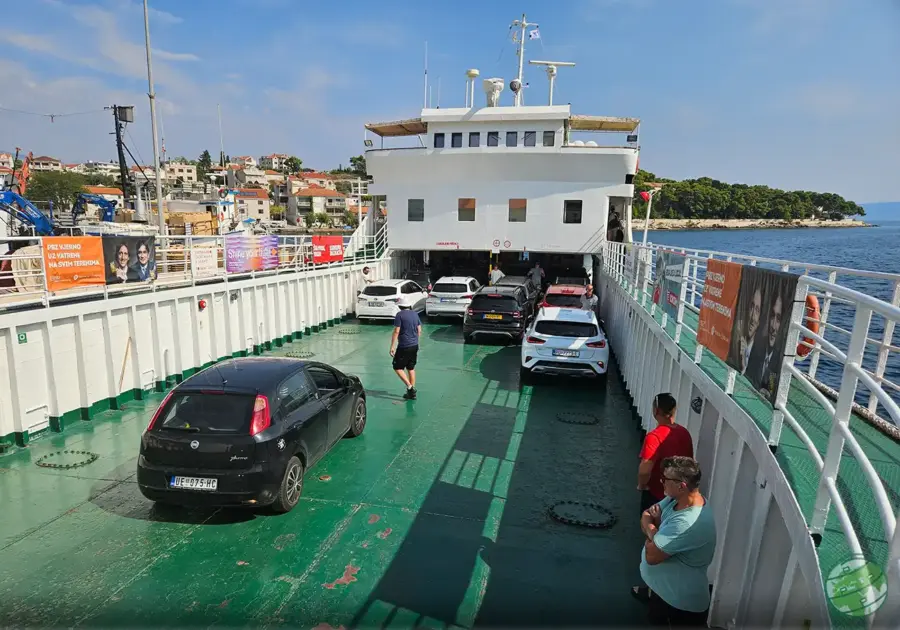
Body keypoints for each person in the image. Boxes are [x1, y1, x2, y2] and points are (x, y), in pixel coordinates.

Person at [638, 456, 716, 627]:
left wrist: (652, 530)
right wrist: (655, 530)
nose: (661, 482)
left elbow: (652, 557)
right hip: (664, 592)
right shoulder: (676, 498)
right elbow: (645, 515)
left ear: (682, 486)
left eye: (665, 480)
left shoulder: (686, 523)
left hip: (680, 605)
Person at [632, 393, 695, 601]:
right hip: (680, 499)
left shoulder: (654, 436)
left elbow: (645, 468)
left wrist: (641, 485)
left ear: (655, 411)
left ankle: (651, 591)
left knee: (653, 542)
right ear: (674, 411)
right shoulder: (685, 434)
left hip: (658, 498)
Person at [389, 295, 421, 400]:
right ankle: (411, 393)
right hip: (414, 345)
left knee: (397, 367)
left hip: (404, 346)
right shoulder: (415, 314)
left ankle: (410, 387)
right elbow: (419, 330)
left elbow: (396, 331)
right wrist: (415, 340)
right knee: (410, 368)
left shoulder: (399, 315)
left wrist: (392, 346)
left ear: (400, 306)